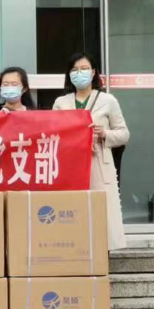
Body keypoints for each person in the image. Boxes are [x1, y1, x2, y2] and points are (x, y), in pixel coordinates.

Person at [53, 52, 129, 250]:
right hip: (70, 166)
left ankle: (103, 259)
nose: (79, 73)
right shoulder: (61, 102)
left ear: (93, 72)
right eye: (74, 69)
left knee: (102, 216)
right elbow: (53, 134)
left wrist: (104, 134)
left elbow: (124, 134)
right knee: (74, 214)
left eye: (84, 69)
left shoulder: (108, 100)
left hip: (99, 163)